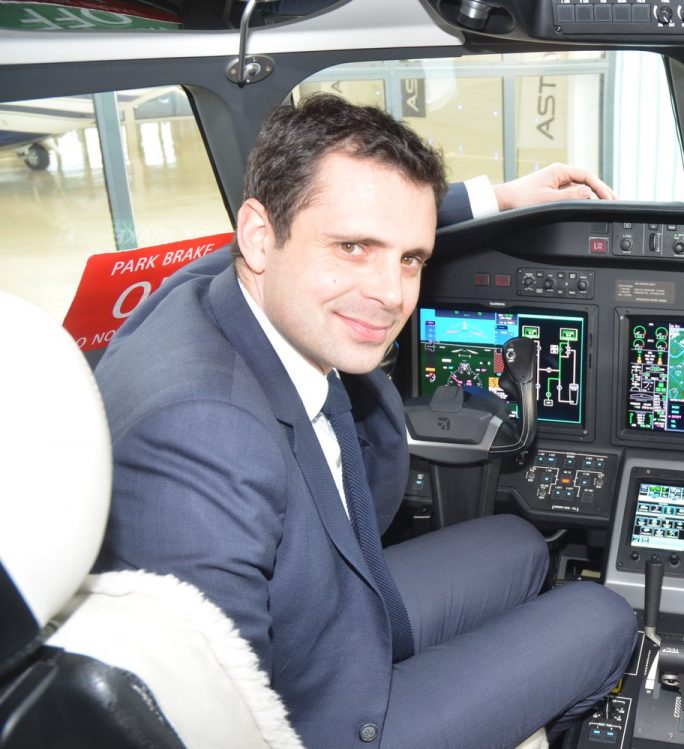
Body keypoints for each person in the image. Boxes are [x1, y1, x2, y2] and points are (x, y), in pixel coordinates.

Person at [94, 93, 636, 749]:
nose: (390, 294)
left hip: (323, 615)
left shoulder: (208, 286)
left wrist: (497, 197)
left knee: (520, 543)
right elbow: (216, 726)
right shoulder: (200, 439)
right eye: (354, 247)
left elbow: (368, 218)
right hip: (322, 721)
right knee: (604, 615)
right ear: (259, 234)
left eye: (411, 258)